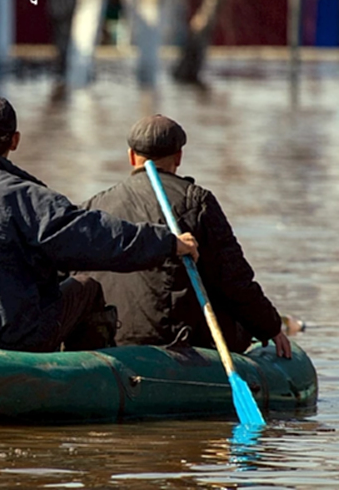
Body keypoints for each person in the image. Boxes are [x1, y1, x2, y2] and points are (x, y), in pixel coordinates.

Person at [0, 96, 199, 352]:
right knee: (87, 287)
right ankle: (87, 384)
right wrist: (168, 242)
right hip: (11, 341)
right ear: (15, 141)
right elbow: (101, 238)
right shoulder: (30, 199)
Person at [78, 114, 292, 358]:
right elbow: (233, 279)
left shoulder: (93, 207)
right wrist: (270, 327)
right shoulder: (196, 202)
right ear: (179, 157)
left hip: (108, 338)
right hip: (172, 339)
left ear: (131, 156)